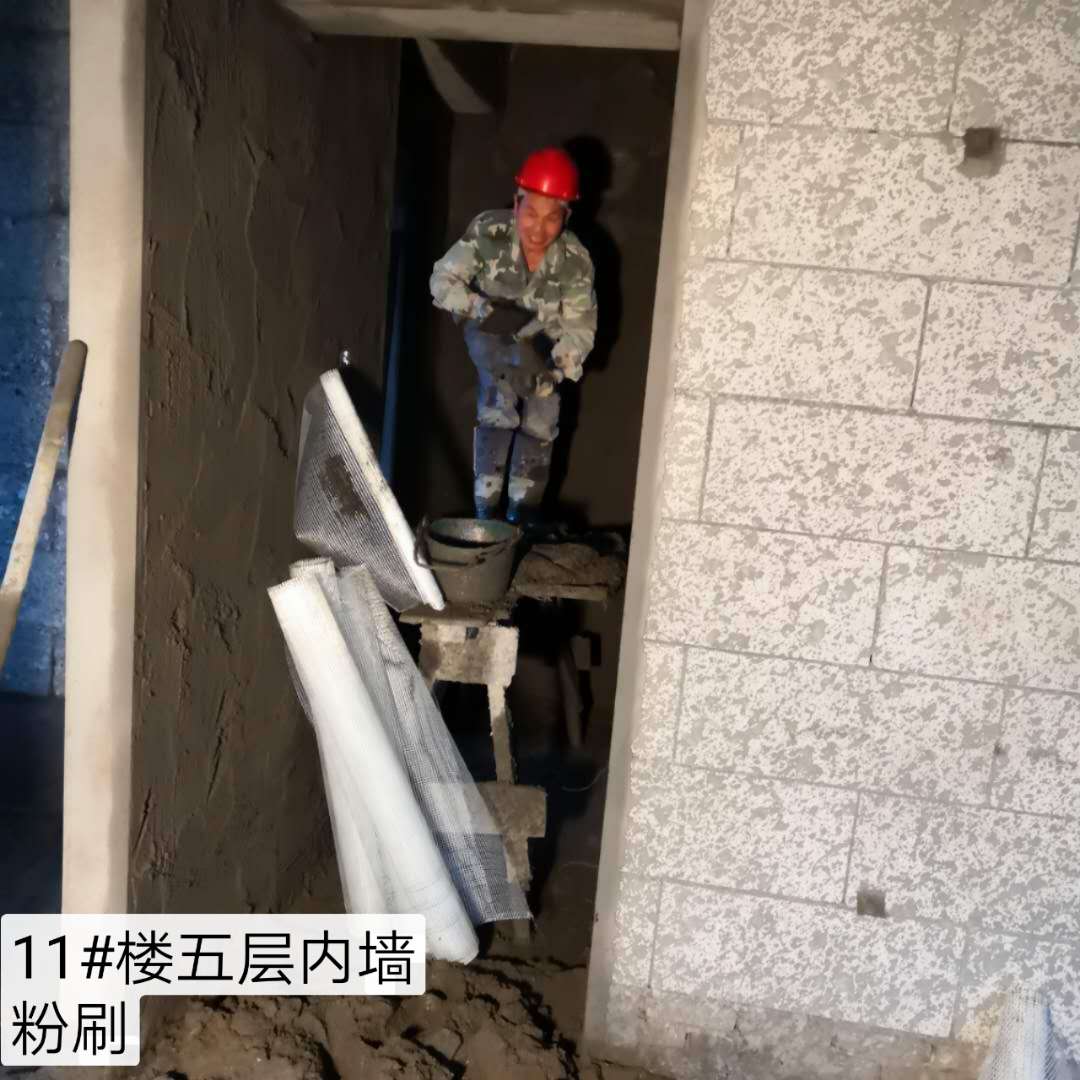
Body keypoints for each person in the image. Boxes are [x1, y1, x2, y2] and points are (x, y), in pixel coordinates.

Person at [429, 147, 598, 523]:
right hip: (493, 335)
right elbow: (442, 280)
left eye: (552, 218)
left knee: (542, 422)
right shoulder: (489, 232)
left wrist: (554, 372)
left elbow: (580, 329)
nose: (538, 230)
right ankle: (486, 515)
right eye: (531, 213)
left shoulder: (575, 261)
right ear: (517, 203)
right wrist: (481, 309)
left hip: (544, 349)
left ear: (566, 216)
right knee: (497, 411)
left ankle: (522, 517)